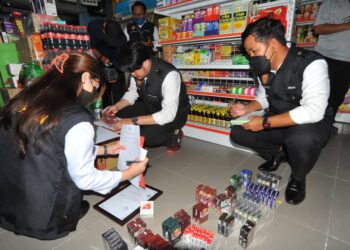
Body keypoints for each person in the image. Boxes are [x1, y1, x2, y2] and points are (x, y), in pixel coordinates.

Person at [0, 53, 148, 240]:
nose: (94, 92)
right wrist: (128, 173)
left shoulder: (27, 99)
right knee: (73, 190)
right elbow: (85, 179)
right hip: (44, 219)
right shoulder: (76, 119)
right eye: (95, 85)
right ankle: (59, 218)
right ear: (85, 77)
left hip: (9, 201)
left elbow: (49, 146)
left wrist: (104, 150)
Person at [229, 18, 333, 205]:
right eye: (249, 53)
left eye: (254, 51)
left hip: (308, 124)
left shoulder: (312, 63)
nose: (252, 57)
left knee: (301, 139)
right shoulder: (264, 68)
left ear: (273, 44)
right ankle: (279, 154)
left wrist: (264, 123)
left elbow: (314, 111)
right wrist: (247, 108)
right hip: (278, 118)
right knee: (238, 132)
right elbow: (264, 97)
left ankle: (298, 178)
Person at [103, 42, 190, 152]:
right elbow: (133, 92)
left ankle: (173, 136)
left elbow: (168, 114)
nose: (132, 74)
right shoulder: (137, 69)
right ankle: (144, 128)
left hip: (175, 114)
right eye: (130, 72)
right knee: (119, 114)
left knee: (144, 136)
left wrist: (133, 121)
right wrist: (117, 106)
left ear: (146, 62)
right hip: (152, 106)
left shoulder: (169, 74)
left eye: (133, 71)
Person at [313, 0, 350, 130]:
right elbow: (318, 28)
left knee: (338, 96)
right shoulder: (331, 3)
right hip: (327, 55)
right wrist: (347, 25)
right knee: (320, 94)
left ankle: (326, 124)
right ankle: (312, 125)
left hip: (347, 60)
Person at [87, 18, 127, 106]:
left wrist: (119, 65)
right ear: (103, 30)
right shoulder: (94, 26)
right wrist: (102, 58)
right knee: (102, 89)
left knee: (118, 89)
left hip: (116, 58)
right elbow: (93, 48)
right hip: (101, 59)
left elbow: (124, 47)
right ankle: (104, 109)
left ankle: (120, 109)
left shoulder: (116, 27)